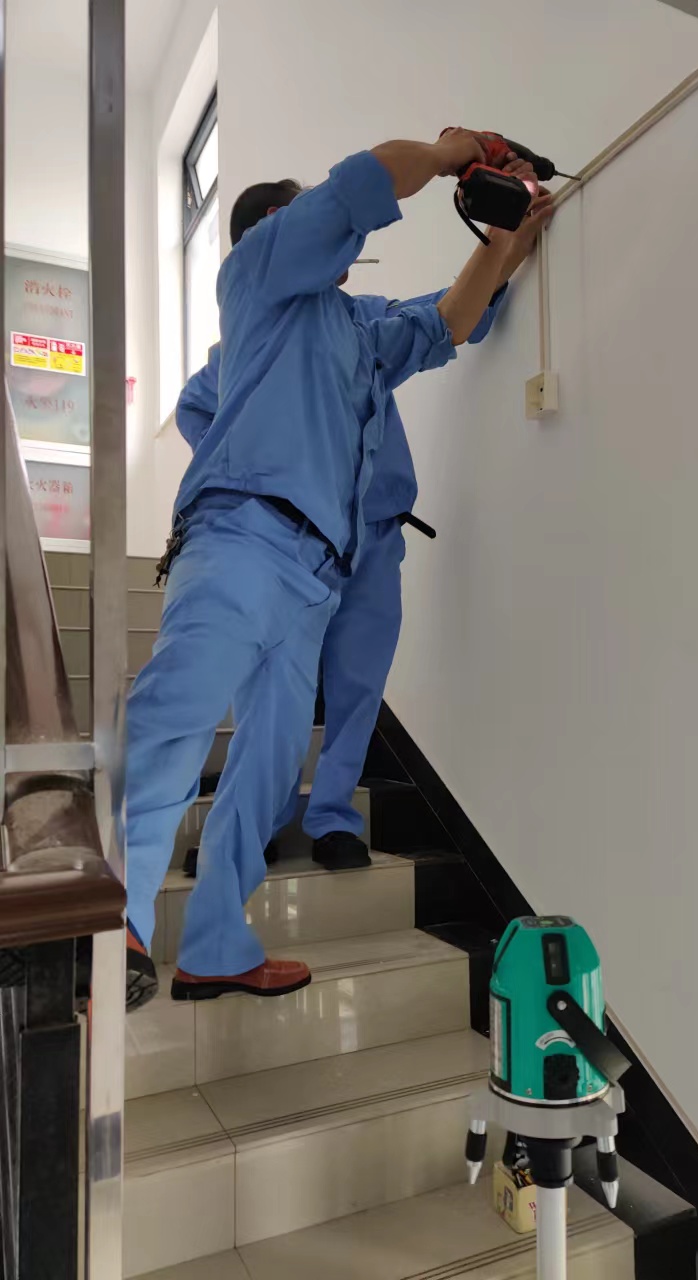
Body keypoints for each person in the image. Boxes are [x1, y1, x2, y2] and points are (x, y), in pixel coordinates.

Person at [124, 131, 543, 1011]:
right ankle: (109, 921)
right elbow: (362, 185)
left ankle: (214, 946)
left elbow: (446, 322)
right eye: (309, 215)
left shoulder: (354, 331)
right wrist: (453, 150)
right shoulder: (257, 274)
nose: (339, 234)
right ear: (279, 227)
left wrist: (505, 241)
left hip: (317, 577)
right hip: (239, 537)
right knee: (177, 716)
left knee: (270, 765)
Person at [175, 199, 550, 877]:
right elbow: (196, 409)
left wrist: (508, 249)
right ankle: (253, 826)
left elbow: (444, 315)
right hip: (288, 545)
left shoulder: (362, 320)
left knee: (357, 686)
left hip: (373, 538)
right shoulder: (240, 352)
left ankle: (332, 818)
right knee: (269, 692)